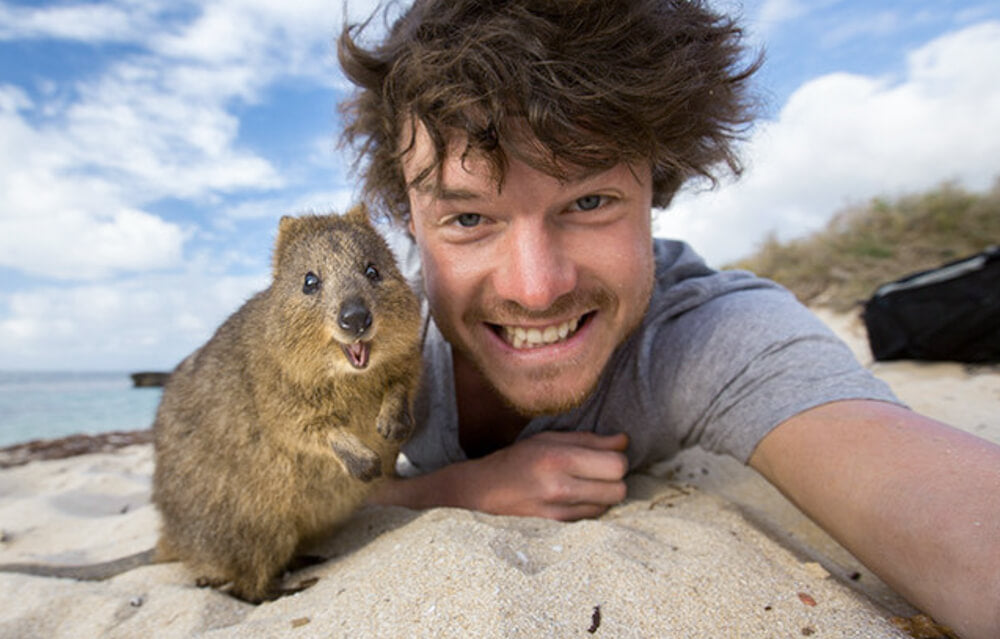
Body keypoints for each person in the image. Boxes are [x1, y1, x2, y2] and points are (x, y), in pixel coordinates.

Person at [336, 1, 1000, 637]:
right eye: (470, 218)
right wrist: (454, 488)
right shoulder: (358, 345)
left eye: (590, 200)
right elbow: (244, 494)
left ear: (659, 182)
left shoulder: (707, 333)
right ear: (409, 223)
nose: (536, 290)